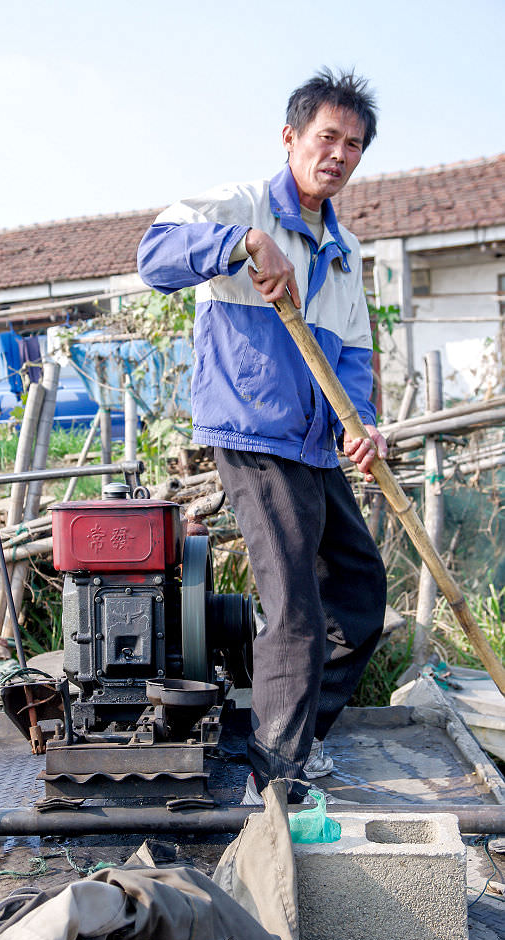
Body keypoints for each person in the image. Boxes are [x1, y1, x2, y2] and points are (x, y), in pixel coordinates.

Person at [137, 68, 387, 805]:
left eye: (353, 145)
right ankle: (270, 787)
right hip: (253, 435)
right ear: (292, 138)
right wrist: (243, 243)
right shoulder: (244, 205)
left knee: (359, 596)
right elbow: (153, 254)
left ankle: (297, 742)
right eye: (326, 138)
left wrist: (360, 423)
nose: (338, 154)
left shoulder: (341, 249)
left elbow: (351, 356)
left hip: (313, 444)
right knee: (295, 610)